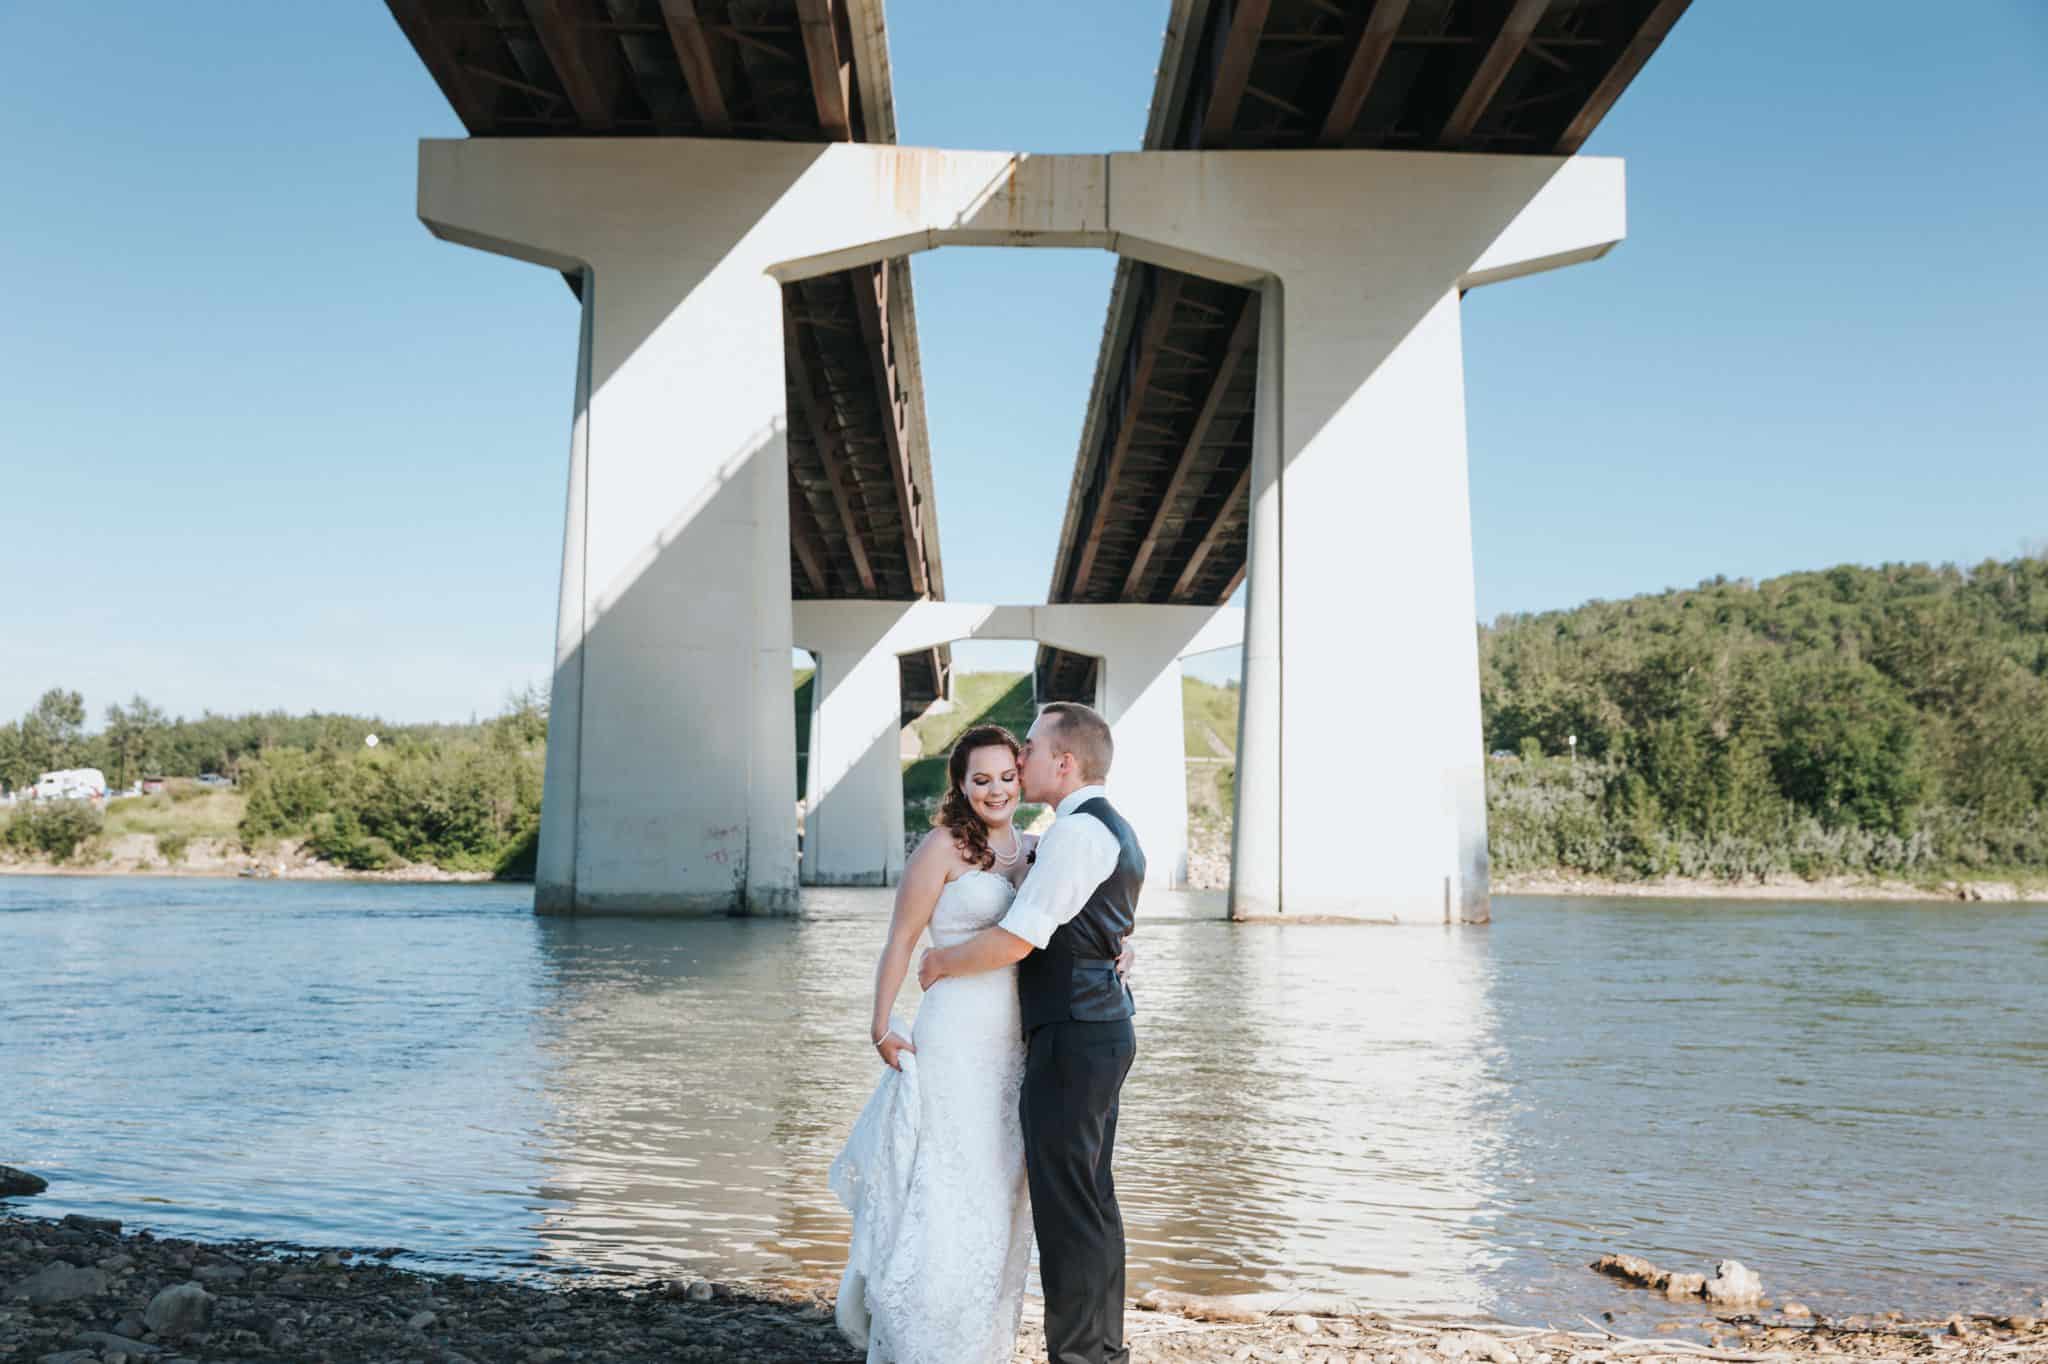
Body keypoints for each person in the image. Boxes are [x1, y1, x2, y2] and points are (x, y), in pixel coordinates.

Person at [919, 701, 1143, 1364]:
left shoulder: (1077, 833)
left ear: (1063, 762)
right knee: (1090, 1199)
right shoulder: (1106, 827)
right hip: (1096, 1027)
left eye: (1031, 750)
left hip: (1074, 1034)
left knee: (1068, 1208)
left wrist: (940, 963)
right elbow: (1105, 923)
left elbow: (1020, 938)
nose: (1020, 762)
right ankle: (1100, 1351)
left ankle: (1079, 1357)